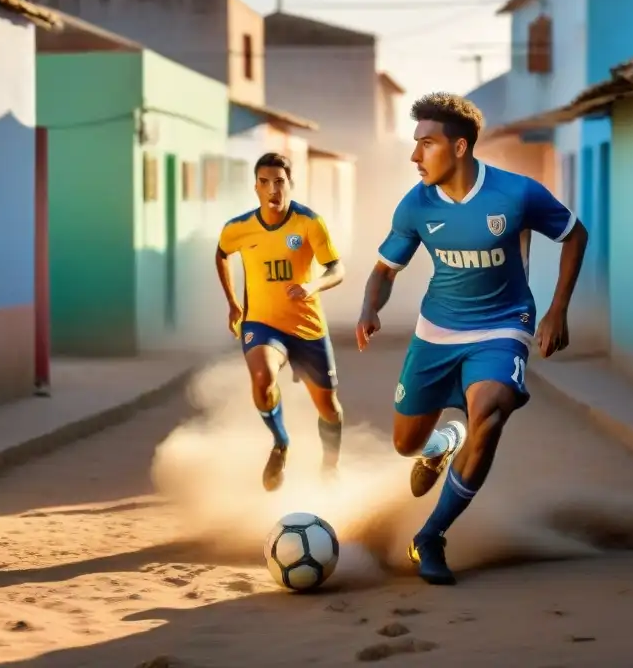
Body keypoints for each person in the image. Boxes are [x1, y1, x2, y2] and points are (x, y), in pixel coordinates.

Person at [355, 92, 589, 585]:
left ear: (459, 147)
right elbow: (385, 268)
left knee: (490, 413)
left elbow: (574, 234)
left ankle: (431, 536)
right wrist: (369, 306)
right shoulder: (416, 205)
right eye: (414, 144)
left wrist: (557, 310)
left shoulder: (517, 193)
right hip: (436, 331)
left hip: (503, 326)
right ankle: (443, 440)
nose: (415, 156)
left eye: (426, 144)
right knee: (405, 445)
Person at [216, 152, 347, 491]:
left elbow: (337, 269)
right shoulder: (238, 228)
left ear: (291, 184)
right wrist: (233, 303)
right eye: (264, 182)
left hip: (307, 328)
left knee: (329, 408)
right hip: (262, 323)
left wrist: (311, 285)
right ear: (256, 187)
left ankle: (330, 466)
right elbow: (221, 253)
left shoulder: (309, 223)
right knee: (263, 376)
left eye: (279, 182)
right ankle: (280, 442)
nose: (272, 189)